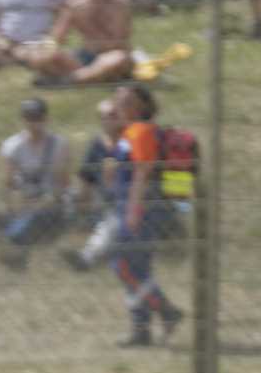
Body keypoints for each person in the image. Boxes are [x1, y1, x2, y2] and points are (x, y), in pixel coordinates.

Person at [71, 83, 183, 346]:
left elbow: (143, 172)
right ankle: (140, 331)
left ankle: (166, 310)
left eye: (127, 101)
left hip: (139, 211)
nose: (120, 105)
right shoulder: (128, 133)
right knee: (138, 270)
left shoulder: (141, 131)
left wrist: (133, 211)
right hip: (126, 207)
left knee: (122, 265)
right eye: (118, 100)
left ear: (141, 106)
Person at [24, 0, 136, 84]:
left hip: (111, 56)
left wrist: (88, 24)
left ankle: (71, 79)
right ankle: (89, 77)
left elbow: (117, 43)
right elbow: (56, 38)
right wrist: (43, 52)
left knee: (118, 59)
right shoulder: (75, 5)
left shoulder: (119, 3)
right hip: (84, 57)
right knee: (38, 55)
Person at [0, 94, 66, 263]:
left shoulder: (58, 145)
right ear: (22, 119)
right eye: (29, 117)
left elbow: (61, 184)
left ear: (45, 118)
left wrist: (45, 201)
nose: (33, 123)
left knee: (36, 213)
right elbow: (8, 184)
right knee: (24, 216)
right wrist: (12, 205)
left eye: (37, 117)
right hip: (24, 200)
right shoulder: (12, 146)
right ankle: (16, 238)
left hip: (49, 203)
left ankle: (12, 240)